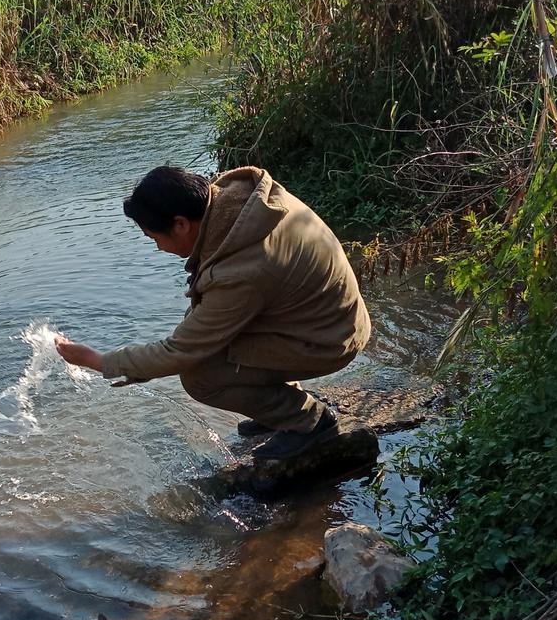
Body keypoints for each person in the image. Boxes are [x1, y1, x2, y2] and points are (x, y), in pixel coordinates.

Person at [54, 165, 371, 461]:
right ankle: (276, 410)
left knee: (201, 376)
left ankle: (310, 422)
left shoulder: (244, 266)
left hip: (330, 339)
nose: (158, 248)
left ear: (180, 224)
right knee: (213, 350)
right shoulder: (239, 203)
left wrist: (98, 361)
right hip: (322, 318)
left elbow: (182, 351)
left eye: (155, 238)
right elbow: (206, 318)